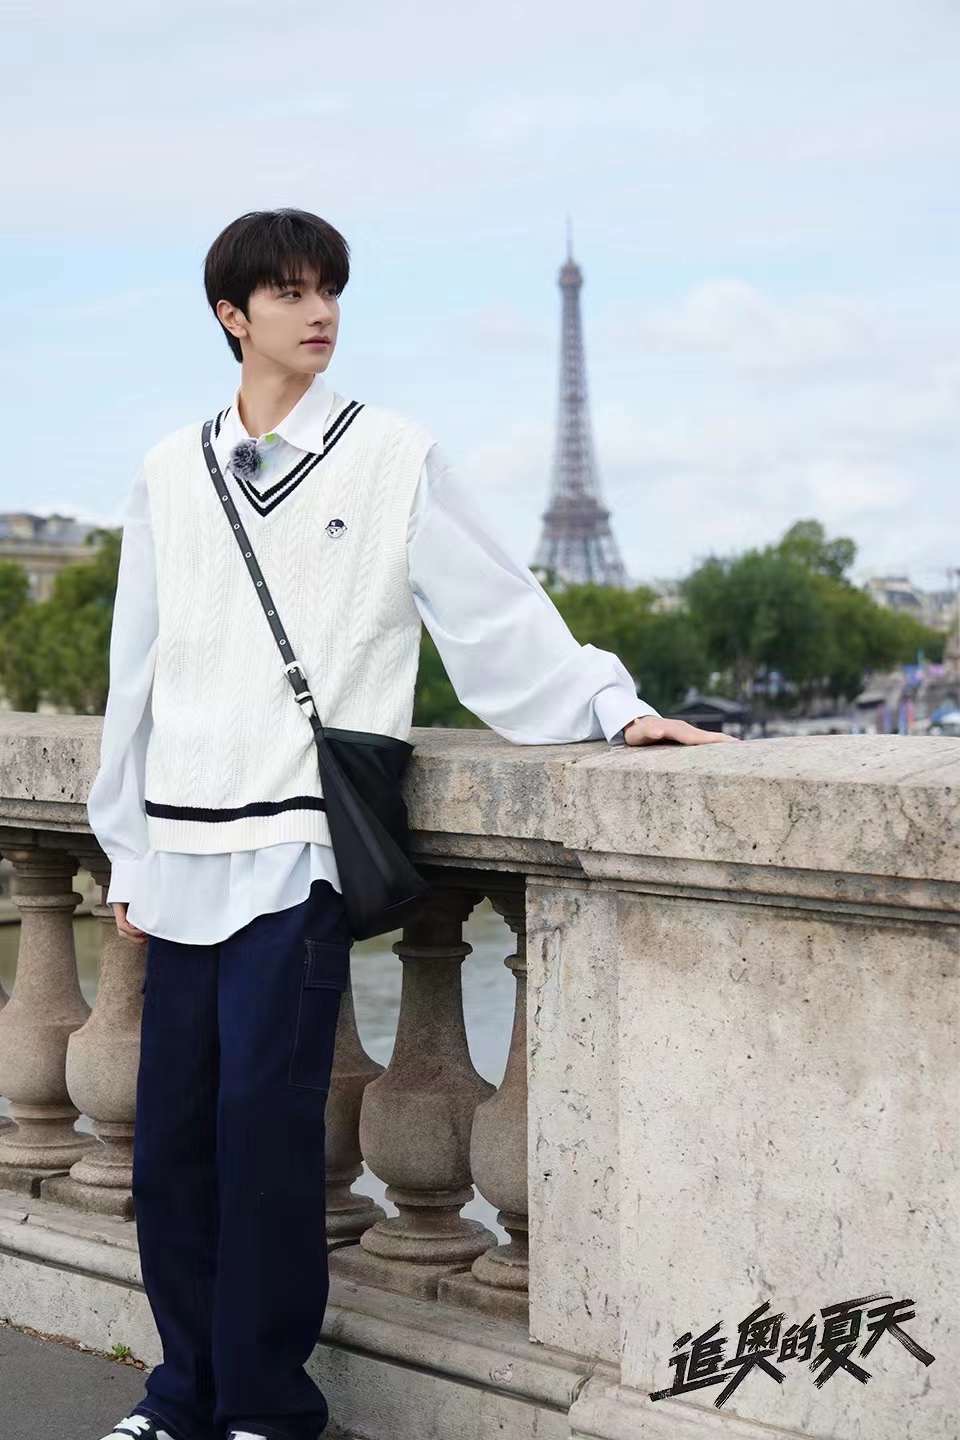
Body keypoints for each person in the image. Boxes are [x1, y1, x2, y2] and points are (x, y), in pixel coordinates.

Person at [86, 207, 737, 1440]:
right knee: (169, 1149)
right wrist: (126, 843)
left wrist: (613, 706)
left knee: (266, 1141)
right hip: (179, 849)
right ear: (232, 316)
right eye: (290, 292)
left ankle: (264, 1407)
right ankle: (181, 1394)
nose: (319, 312)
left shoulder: (393, 454)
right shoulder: (170, 470)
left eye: (329, 288)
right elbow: (138, 668)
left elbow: (496, 612)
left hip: (298, 846)